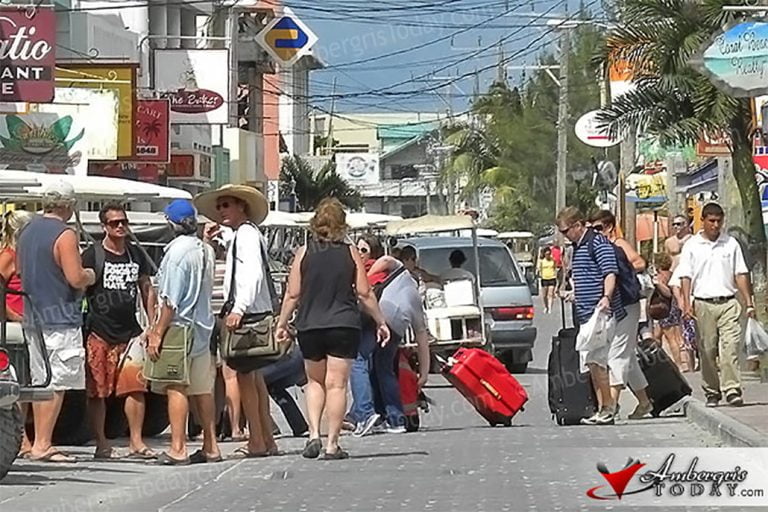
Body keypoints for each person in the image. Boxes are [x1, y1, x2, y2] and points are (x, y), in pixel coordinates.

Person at [275, 198, 390, 460]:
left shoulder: (304, 252)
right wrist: (380, 321)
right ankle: (332, 445)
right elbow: (364, 293)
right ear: (342, 224)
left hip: (310, 325)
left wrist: (282, 323)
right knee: (336, 385)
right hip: (343, 325)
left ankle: (314, 434)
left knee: (314, 382)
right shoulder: (350, 252)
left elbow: (292, 294)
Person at [195, 184, 278, 458]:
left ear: (241, 206)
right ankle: (265, 438)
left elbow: (252, 274)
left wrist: (239, 308)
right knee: (254, 378)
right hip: (253, 311)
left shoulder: (246, 236)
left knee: (245, 377)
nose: (221, 211)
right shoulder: (245, 234)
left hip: (248, 314)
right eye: (220, 206)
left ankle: (257, 439)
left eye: (226, 205)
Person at [17, 181, 96, 463]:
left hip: (32, 316)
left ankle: (33, 442)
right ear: (69, 205)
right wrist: (90, 275)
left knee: (40, 381)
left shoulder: (26, 231)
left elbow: (20, 270)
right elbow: (75, 277)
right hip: (59, 317)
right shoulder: (65, 234)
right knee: (57, 382)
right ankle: (43, 443)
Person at [147, 199, 221, 465]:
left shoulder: (176, 253)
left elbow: (170, 300)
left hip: (180, 328)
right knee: (202, 389)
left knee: (176, 385)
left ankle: (178, 448)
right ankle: (211, 445)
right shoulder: (205, 250)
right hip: (203, 327)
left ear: (172, 224)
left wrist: (157, 333)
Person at [81, 203, 158, 459]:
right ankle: (101, 443)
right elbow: (80, 287)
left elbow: (146, 288)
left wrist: (152, 326)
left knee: (135, 388)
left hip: (131, 332)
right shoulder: (93, 254)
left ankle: (136, 441)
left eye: (124, 221)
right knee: (98, 392)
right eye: (114, 223)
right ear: (104, 226)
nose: (121, 226)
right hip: (99, 332)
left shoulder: (135, 254)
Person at [677, 203, 754, 407]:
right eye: (711, 221)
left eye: (719, 221)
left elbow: (740, 273)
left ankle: (732, 389)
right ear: (702, 220)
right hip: (703, 303)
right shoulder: (692, 245)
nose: (715, 225)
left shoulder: (730, 244)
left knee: (730, 347)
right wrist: (686, 303)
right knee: (708, 350)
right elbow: (686, 275)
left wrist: (748, 302)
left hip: (728, 302)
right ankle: (712, 391)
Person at [556, 207, 624, 426]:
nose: (565, 236)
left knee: (597, 360)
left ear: (577, 225)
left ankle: (608, 407)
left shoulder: (598, 243)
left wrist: (606, 297)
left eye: (566, 231)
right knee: (592, 362)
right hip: (586, 313)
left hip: (601, 313)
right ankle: (603, 407)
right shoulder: (578, 247)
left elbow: (609, 272)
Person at [590, 210, 654, 420]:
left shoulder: (618, 244)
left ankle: (610, 406)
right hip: (613, 307)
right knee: (628, 357)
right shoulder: (599, 246)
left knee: (616, 356)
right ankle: (644, 402)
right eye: (592, 229)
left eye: (599, 228)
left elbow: (639, 262)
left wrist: (621, 269)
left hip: (627, 304)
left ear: (609, 227)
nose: (595, 232)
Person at [364, 255, 432, 434]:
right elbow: (422, 337)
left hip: (381, 314)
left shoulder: (401, 270)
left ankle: (386, 416)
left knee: (369, 365)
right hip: (397, 327)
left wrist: (365, 280)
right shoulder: (415, 299)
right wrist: (424, 373)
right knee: (384, 368)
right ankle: (391, 417)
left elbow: (385, 260)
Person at [0, 210, 35, 457]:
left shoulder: (22, 256)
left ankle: (24, 438)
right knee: (18, 384)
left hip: (27, 324)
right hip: (13, 327)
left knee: (27, 382)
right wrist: (12, 315)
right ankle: (21, 440)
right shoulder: (8, 256)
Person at [653, 252, 687, 371]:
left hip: (665, 308)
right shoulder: (671, 274)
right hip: (671, 307)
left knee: (671, 337)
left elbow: (668, 292)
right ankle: (658, 361)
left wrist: (657, 284)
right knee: (656, 335)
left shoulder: (662, 276)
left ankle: (678, 365)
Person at [537, 247, 557, 314]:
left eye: (549, 254)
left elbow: (555, 267)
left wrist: (555, 274)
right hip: (544, 278)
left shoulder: (553, 260)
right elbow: (539, 269)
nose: (548, 255)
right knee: (544, 295)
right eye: (546, 254)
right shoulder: (542, 261)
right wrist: (539, 274)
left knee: (550, 294)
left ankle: (550, 308)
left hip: (552, 278)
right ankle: (546, 307)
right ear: (545, 254)